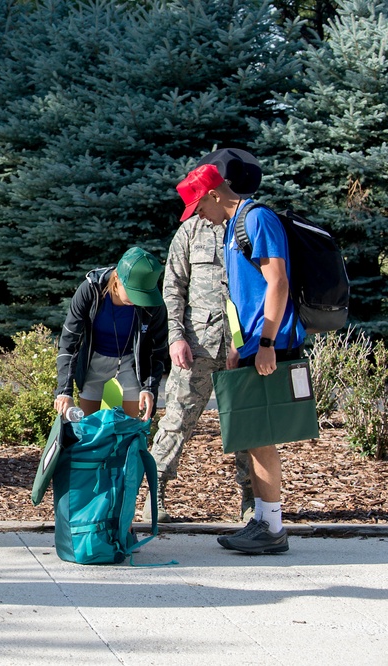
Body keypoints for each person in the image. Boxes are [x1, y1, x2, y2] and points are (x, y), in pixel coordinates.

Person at [175, 162, 306, 554]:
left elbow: (277, 281)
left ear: (214, 195)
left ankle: (271, 527)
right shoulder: (232, 227)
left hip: (272, 343)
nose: (199, 217)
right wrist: (239, 343)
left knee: (261, 438)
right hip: (252, 344)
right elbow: (244, 293)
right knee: (254, 438)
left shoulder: (257, 219)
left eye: (199, 208)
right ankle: (265, 520)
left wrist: (266, 342)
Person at [144, 149, 261, 523]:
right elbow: (172, 289)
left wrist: (249, 344)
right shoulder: (189, 232)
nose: (196, 211)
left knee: (246, 427)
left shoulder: (246, 225)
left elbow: (263, 288)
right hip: (196, 346)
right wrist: (175, 337)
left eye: (198, 203)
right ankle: (155, 495)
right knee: (176, 420)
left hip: (241, 349)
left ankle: (251, 502)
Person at [55, 247, 169, 423]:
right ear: (117, 278)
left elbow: (158, 350)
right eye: (133, 293)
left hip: (130, 364)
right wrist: (64, 391)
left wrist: (149, 388)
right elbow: (69, 343)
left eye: (143, 295)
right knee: (90, 429)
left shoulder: (153, 304)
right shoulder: (90, 291)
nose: (138, 301)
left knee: (126, 431)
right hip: (95, 362)